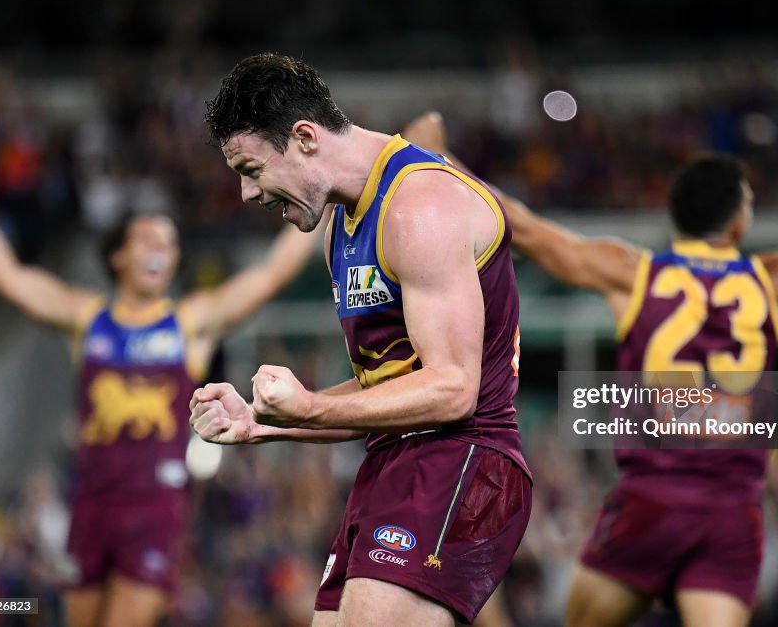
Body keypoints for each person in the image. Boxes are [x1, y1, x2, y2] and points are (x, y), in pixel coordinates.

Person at [416, 116, 778, 626]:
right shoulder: (773, 281)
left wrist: (441, 156)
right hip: (731, 510)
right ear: (739, 219)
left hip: (650, 502)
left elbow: (523, 225)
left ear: (678, 218)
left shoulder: (637, 274)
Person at [188, 53, 532, 627]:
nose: (248, 195)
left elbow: (452, 391)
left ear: (303, 138)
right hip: (397, 463)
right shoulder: (341, 228)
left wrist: (311, 407)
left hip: (465, 460)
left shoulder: (417, 207)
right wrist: (265, 422)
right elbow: (387, 390)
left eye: (251, 170)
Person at [0, 154, 322, 627]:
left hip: (155, 508)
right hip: (89, 504)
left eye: (169, 244)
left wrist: (320, 198)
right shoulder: (87, 319)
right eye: (148, 240)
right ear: (118, 255)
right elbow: (10, 278)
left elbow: (270, 275)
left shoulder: (190, 323)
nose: (159, 251)